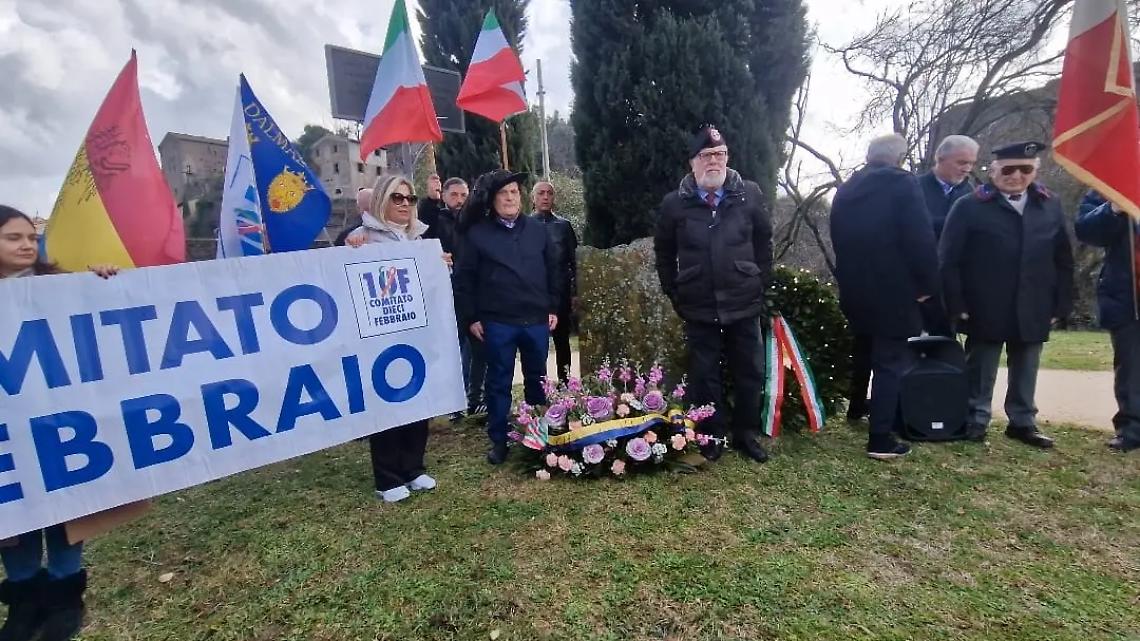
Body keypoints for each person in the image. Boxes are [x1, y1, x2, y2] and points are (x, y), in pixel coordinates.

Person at [0, 205, 119, 641]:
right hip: (7, 428)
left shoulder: (59, 286)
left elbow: (105, 317)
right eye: (13, 237)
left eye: (31, 237)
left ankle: (66, 597)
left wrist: (100, 279)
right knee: (14, 515)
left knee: (65, 507)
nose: (26, 245)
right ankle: (25, 601)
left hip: (57, 420)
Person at [939, 141, 1074, 448]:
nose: (1016, 176)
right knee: (981, 367)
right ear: (993, 170)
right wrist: (956, 304)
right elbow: (948, 261)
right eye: (1009, 169)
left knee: (1027, 366)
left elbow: (1063, 258)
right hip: (984, 303)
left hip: (1034, 301)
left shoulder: (1049, 204)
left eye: (1025, 169)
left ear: (1035, 171)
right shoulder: (970, 206)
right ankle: (975, 419)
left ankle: (1022, 422)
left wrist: (1061, 304)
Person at [653, 124, 772, 464]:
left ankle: (746, 434)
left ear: (727, 158)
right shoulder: (674, 204)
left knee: (749, 371)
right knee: (704, 375)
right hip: (698, 303)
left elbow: (764, 242)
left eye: (719, 154)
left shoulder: (749, 194)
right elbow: (664, 252)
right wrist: (673, 290)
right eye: (706, 156)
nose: (714, 162)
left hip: (743, 300)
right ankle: (713, 434)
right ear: (693, 162)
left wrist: (761, 283)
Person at [829, 134, 940, 460]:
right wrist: (927, 286)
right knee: (890, 361)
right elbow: (920, 239)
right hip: (895, 290)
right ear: (900, 157)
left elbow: (837, 237)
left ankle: (855, 407)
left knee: (863, 348)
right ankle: (880, 438)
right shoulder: (903, 185)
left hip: (855, 286)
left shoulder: (847, 189)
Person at [346, 175, 444, 501]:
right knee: (386, 404)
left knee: (417, 400)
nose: (405, 204)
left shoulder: (419, 239)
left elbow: (430, 289)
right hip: (381, 339)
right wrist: (348, 249)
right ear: (381, 201)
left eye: (410, 198)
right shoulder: (361, 239)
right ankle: (387, 478)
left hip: (418, 334)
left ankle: (413, 468)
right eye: (396, 197)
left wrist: (441, 267)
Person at [454, 170, 560, 465]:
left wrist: (553, 307)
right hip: (497, 322)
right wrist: (471, 317)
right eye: (503, 193)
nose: (510, 198)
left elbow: (554, 270)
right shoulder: (478, 234)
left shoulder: (538, 230)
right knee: (498, 383)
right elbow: (464, 279)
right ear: (492, 199)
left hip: (535, 319)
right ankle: (499, 440)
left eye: (514, 192)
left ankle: (538, 436)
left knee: (538, 381)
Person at [1075, 190, 1140, 452]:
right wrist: (1113, 207)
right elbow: (1086, 230)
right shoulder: (1108, 185)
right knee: (1131, 367)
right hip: (1129, 297)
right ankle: (1132, 429)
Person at [426, 177, 476, 423]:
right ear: (444, 196)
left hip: (471, 294)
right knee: (452, 349)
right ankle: (452, 402)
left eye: (463, 195)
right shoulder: (435, 219)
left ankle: (473, 397)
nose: (459, 200)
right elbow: (424, 221)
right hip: (444, 294)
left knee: (473, 350)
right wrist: (430, 199)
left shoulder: (473, 221)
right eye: (454, 195)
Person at [530, 181, 578, 382]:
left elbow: (575, 261)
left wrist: (575, 292)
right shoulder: (525, 225)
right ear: (533, 198)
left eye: (549, 193)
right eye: (541, 193)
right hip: (534, 293)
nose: (545, 197)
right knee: (535, 343)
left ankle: (565, 382)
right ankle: (540, 385)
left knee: (562, 341)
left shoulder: (563, 226)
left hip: (560, 293)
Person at [919, 135, 979, 240]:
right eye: (962, 163)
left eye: (971, 164)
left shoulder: (970, 192)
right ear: (940, 158)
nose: (967, 169)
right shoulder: (914, 188)